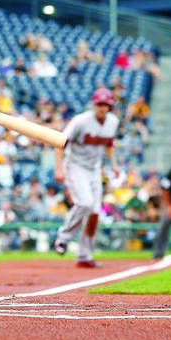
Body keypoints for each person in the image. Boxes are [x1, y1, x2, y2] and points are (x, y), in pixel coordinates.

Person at [53, 87, 120, 267]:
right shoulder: (80, 121)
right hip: (75, 166)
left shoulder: (113, 122)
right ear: (94, 104)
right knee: (84, 202)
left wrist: (113, 163)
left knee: (95, 213)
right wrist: (59, 169)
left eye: (106, 104)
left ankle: (84, 255)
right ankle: (63, 237)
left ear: (110, 106)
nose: (103, 108)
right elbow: (59, 143)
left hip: (94, 169)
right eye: (100, 104)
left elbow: (110, 144)